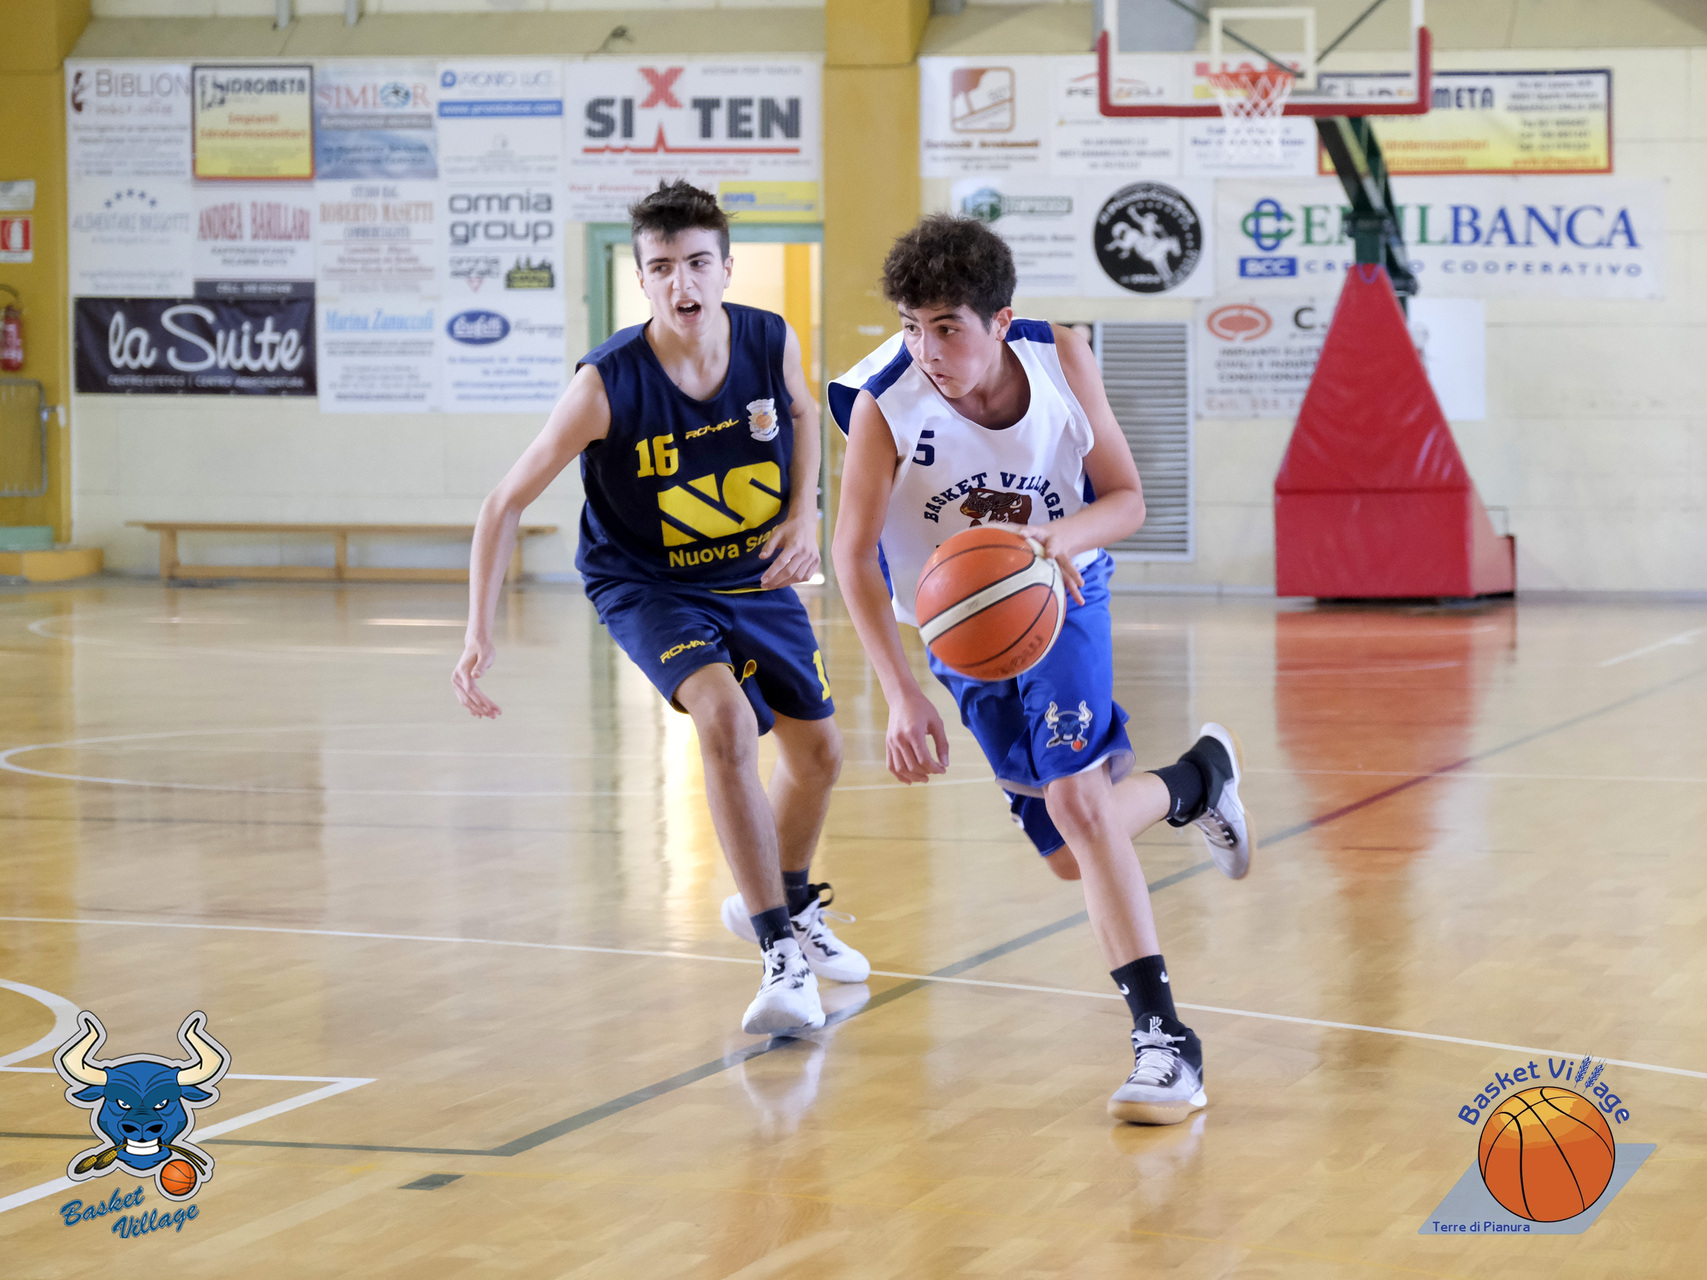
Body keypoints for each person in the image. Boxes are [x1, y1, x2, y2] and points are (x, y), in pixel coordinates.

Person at [828, 214, 1254, 1124]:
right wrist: (900, 691)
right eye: (910, 326)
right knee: (1070, 852)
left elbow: (1127, 500)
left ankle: (1165, 1043)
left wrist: (1058, 541)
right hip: (959, 628)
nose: (926, 349)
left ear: (999, 320)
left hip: (1063, 592)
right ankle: (1196, 780)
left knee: (1077, 804)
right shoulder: (882, 402)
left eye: (947, 327)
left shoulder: (1060, 358)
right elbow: (851, 555)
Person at [453, 180, 868, 1037]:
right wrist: (477, 633)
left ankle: (785, 901)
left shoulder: (769, 339)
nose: (683, 282)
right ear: (641, 279)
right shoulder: (605, 385)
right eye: (663, 266)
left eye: (698, 263)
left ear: (725, 269)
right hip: (648, 583)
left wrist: (804, 514)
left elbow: (801, 412)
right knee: (724, 720)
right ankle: (779, 955)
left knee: (819, 755)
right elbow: (502, 503)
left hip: (751, 572)